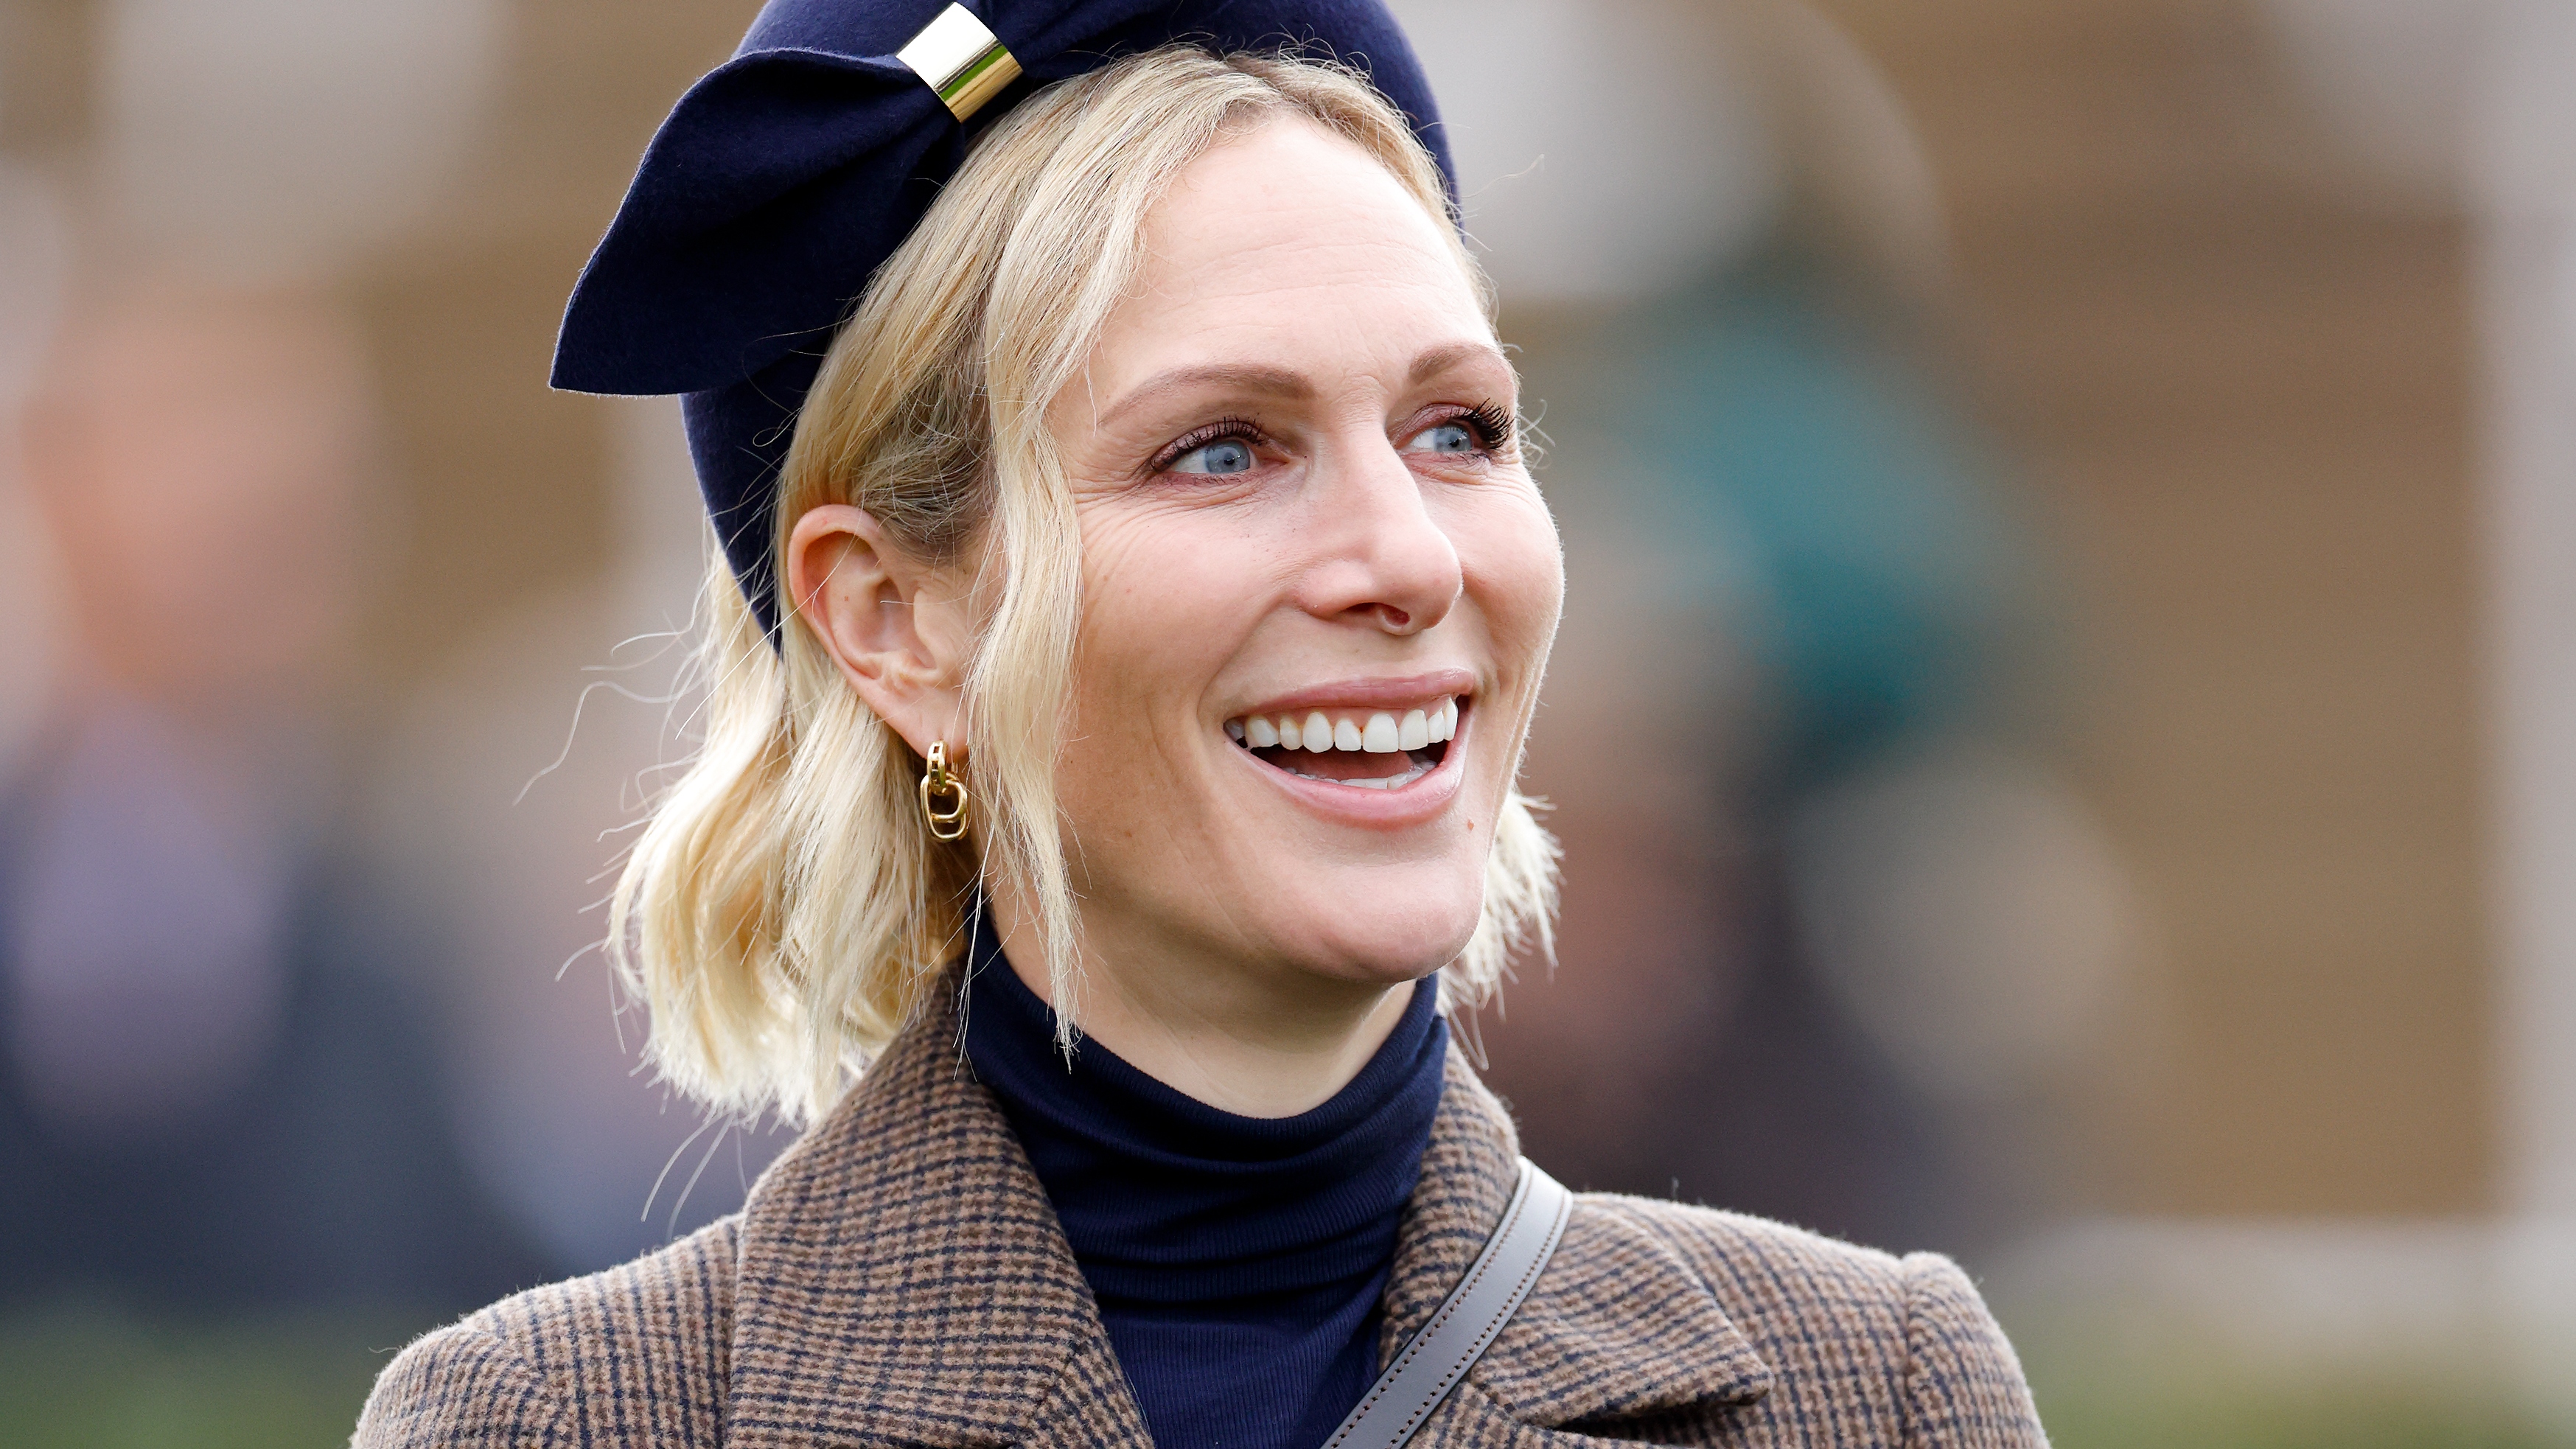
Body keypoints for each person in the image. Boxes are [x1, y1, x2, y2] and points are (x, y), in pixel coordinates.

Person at [356, 3, 2048, 1445]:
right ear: (892, 619)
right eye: (1222, 448)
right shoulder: (569, 1418)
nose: (1407, 554)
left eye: (1456, 429)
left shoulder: (1868, 1391)